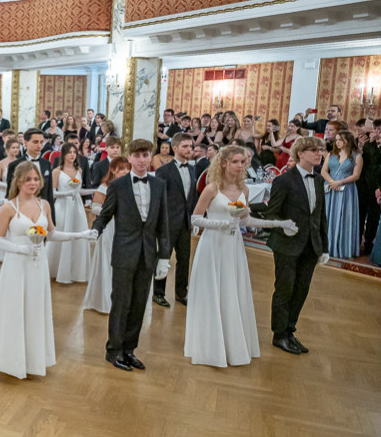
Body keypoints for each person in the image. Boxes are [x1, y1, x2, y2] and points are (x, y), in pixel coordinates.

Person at [184, 146, 298, 367]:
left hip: (234, 246)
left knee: (232, 291)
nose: (240, 165)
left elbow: (245, 220)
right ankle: (210, 344)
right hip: (212, 245)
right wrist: (222, 224)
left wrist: (276, 224)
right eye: (236, 161)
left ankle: (231, 343)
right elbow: (195, 219)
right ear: (224, 163)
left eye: (242, 162)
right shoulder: (212, 189)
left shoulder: (244, 190)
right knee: (214, 291)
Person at [0, 162, 95, 377]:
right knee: (15, 308)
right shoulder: (8, 207)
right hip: (16, 265)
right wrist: (20, 248)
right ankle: (11, 360)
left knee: (35, 308)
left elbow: (51, 234)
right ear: (18, 181)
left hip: (38, 265)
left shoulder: (44, 205)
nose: (33, 183)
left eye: (36, 179)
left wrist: (80, 235)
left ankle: (33, 360)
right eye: (28, 179)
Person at [91, 139, 171, 372]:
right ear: (130, 158)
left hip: (148, 253)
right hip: (124, 252)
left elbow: (163, 223)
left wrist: (164, 257)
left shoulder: (159, 185)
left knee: (138, 305)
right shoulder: (117, 186)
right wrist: (95, 230)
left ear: (150, 157)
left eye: (146, 155)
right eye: (137, 156)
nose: (142, 160)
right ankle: (113, 350)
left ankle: (129, 350)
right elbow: (104, 215)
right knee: (121, 303)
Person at [263, 136, 329, 355]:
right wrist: (284, 227)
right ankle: (279, 334)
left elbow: (321, 216)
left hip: (311, 245)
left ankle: (290, 331)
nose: (319, 153)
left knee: (301, 290)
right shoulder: (284, 180)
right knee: (285, 289)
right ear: (300, 153)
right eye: (314, 150)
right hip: (286, 244)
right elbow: (272, 213)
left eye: (321, 150)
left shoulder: (318, 180)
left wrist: (324, 247)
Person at [151, 133, 197, 307]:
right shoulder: (163, 171)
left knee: (184, 259)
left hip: (186, 222)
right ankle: (158, 293)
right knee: (163, 257)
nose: (189, 150)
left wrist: (193, 218)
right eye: (185, 146)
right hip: (168, 222)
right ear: (175, 148)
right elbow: (158, 198)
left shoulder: (193, 169)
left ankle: (181, 292)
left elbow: (192, 196)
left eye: (190, 146)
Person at [83, 157, 130, 313]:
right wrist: (110, 212)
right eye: (121, 169)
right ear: (113, 170)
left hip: (125, 227)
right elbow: (95, 207)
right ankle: (103, 300)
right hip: (109, 226)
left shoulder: (130, 186)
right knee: (107, 259)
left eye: (127, 169)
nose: (125, 172)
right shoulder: (105, 187)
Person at [47, 144, 91, 284]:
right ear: (63, 155)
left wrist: (95, 191)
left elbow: (80, 191)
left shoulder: (79, 169)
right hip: (62, 206)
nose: (72, 155)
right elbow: (52, 192)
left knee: (78, 234)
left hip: (77, 206)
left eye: (74, 152)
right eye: (69, 152)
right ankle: (57, 269)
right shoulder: (57, 171)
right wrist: (66, 193)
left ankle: (75, 270)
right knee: (61, 232)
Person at [322, 130, 362, 259]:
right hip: (330, 188)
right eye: (336, 139)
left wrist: (340, 182)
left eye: (340, 139)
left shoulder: (357, 156)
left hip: (347, 191)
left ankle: (342, 248)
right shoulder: (331, 155)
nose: (337, 142)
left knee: (344, 218)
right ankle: (325, 247)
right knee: (328, 216)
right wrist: (332, 182)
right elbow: (324, 171)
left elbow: (356, 176)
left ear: (348, 141)